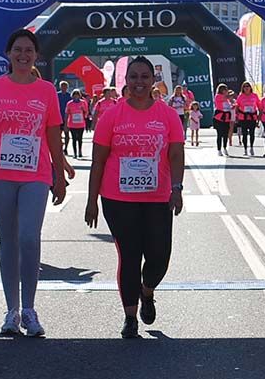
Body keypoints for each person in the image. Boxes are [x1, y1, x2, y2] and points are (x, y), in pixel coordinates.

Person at [0, 29, 67, 337]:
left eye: (29, 50)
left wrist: (60, 175)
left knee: (29, 237)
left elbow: (53, 135)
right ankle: (12, 311)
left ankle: (30, 310)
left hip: (35, 173)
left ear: (36, 56)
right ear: (8, 54)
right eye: (18, 50)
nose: (23, 55)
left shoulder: (46, 91)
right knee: (8, 241)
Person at [85, 56, 185, 339]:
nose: (139, 82)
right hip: (118, 198)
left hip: (157, 197)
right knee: (129, 256)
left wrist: (177, 188)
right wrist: (92, 201)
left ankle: (147, 290)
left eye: (144, 77)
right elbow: (98, 161)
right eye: (133, 77)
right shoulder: (111, 115)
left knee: (159, 256)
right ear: (125, 81)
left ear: (153, 80)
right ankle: (130, 317)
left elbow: (176, 153)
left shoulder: (167, 115)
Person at [235, 81, 261, 157]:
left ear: (250, 87)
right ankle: (245, 149)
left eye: (248, 86)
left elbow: (259, 106)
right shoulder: (240, 96)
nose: (246, 88)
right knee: (244, 134)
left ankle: (251, 147)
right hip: (243, 117)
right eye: (245, 86)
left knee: (252, 133)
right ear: (242, 88)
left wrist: (259, 117)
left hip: (252, 117)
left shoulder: (254, 95)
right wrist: (237, 116)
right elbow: (237, 106)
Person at [65, 89, 90, 159]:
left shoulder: (83, 102)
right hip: (72, 124)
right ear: (72, 96)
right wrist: (65, 123)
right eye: (74, 95)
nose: (76, 96)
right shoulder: (69, 103)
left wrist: (84, 113)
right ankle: (75, 153)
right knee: (74, 139)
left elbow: (86, 112)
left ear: (79, 96)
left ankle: (80, 151)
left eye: (77, 95)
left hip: (81, 124)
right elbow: (67, 113)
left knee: (80, 138)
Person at [212, 84, 232, 156]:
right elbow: (226, 97)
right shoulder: (218, 96)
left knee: (225, 134)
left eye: (226, 89)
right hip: (219, 118)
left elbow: (229, 106)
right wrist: (230, 95)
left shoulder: (227, 100)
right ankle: (219, 149)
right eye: (224, 90)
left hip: (226, 118)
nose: (225, 91)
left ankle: (225, 148)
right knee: (219, 134)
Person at [57, 80, 72, 155]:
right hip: (58, 117)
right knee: (58, 134)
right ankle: (59, 147)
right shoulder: (57, 95)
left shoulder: (69, 96)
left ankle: (65, 148)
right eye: (62, 86)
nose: (64, 87)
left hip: (67, 118)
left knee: (67, 134)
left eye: (65, 86)